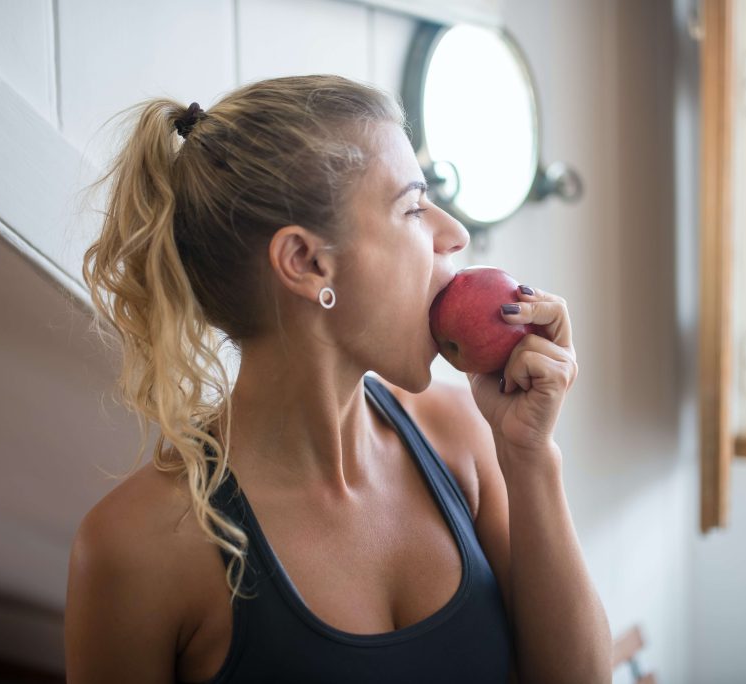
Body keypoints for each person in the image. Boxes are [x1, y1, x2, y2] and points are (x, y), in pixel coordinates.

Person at [64, 74, 611, 683]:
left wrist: (530, 456)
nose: (453, 234)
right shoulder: (134, 551)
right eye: (412, 205)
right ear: (306, 262)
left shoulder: (461, 438)